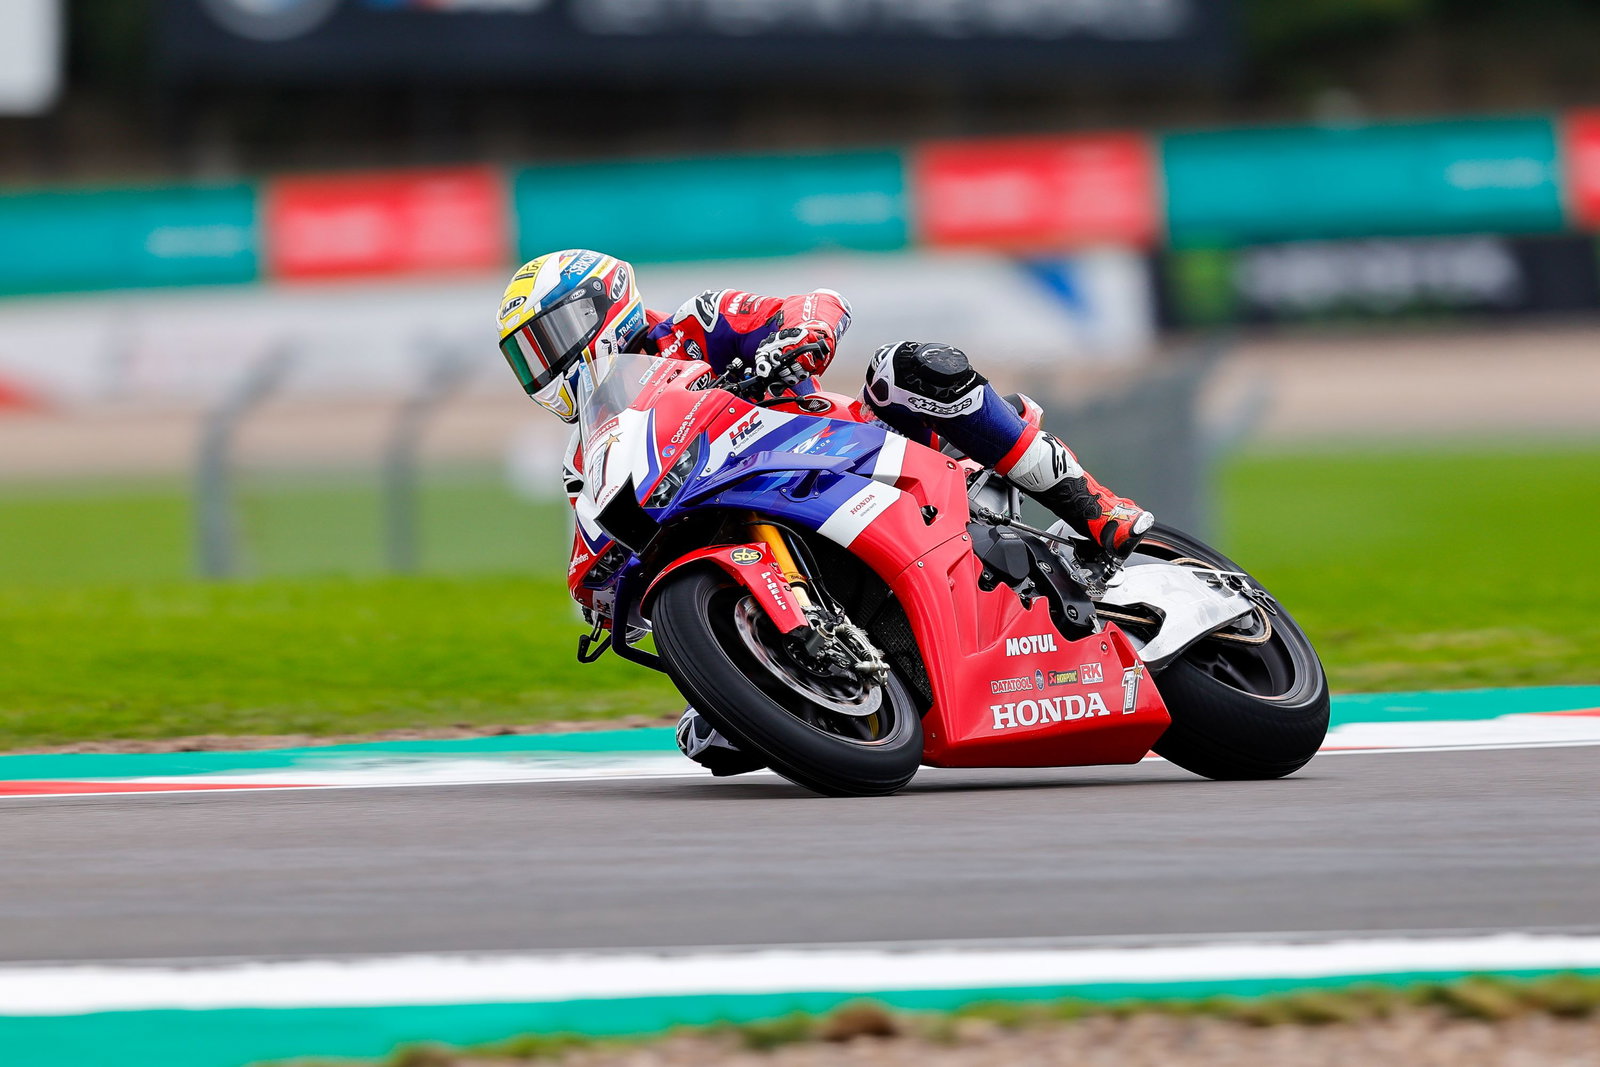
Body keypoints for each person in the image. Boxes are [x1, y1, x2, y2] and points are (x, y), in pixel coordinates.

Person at [497, 248, 1154, 774]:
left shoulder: (693, 324)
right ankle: (794, 670)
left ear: (606, 303)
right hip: (736, 520)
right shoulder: (586, 456)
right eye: (529, 357)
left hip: (848, 454)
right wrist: (598, 587)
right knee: (712, 741)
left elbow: (817, 304)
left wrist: (793, 339)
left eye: (552, 334)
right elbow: (587, 545)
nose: (547, 362)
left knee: (907, 368)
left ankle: (1093, 505)